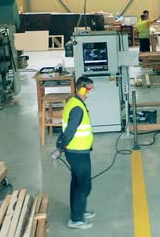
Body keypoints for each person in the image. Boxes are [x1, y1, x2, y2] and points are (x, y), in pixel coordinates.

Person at [56, 76, 96, 230]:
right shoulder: (77, 108)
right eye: (89, 89)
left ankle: (79, 211)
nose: (90, 92)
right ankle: (76, 220)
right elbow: (70, 130)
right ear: (81, 89)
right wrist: (60, 146)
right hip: (77, 152)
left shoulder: (73, 101)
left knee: (77, 182)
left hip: (78, 151)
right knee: (84, 185)